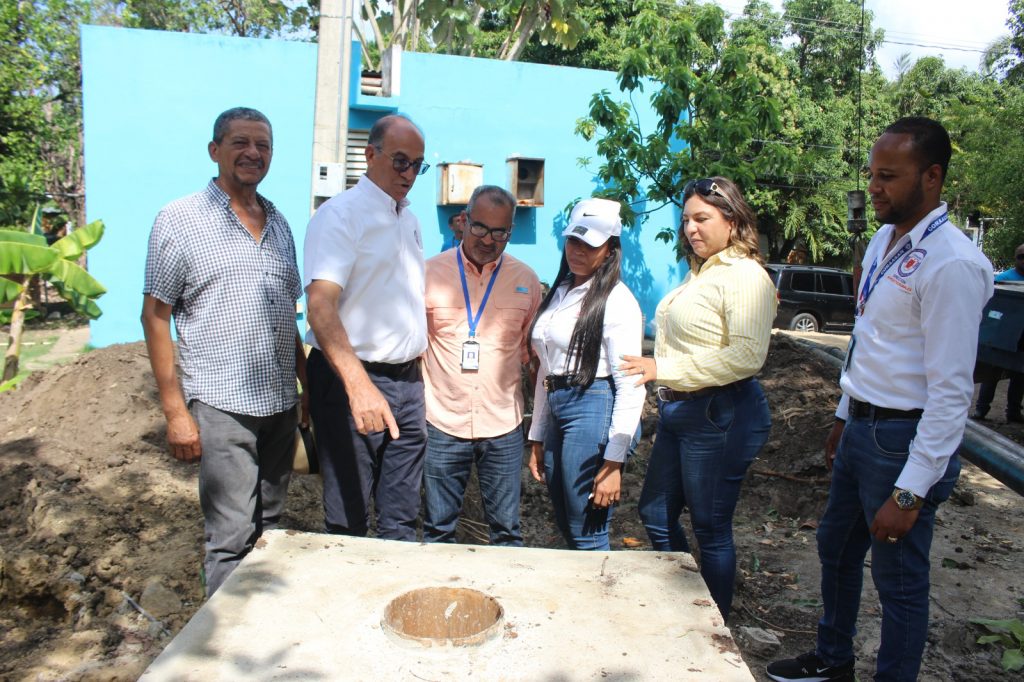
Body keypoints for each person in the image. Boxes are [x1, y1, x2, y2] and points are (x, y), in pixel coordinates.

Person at [766, 117, 993, 682]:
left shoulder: (953, 264)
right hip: (864, 427)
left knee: (899, 583)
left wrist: (911, 492)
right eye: (872, 174)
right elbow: (869, 340)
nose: (873, 187)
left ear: (933, 177)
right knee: (836, 551)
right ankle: (832, 659)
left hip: (904, 442)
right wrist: (845, 415)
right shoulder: (881, 241)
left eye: (889, 176)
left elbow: (950, 394)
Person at [141, 107, 307, 596]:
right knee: (231, 536)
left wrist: (307, 386)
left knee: (271, 529)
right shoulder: (180, 219)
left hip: (279, 401)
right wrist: (175, 412)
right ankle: (221, 651)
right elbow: (155, 316)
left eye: (263, 145)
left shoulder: (279, 224)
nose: (253, 153)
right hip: (221, 403)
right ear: (215, 150)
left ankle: (259, 634)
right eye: (240, 142)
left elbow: (286, 316)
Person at [619, 176, 776, 621]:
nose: (691, 228)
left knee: (710, 527)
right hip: (682, 411)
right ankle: (692, 606)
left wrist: (661, 369)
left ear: (733, 220)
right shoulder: (701, 273)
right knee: (654, 512)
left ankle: (714, 629)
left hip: (720, 414)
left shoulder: (745, 275)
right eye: (686, 219)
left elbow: (747, 356)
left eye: (702, 218)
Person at [303, 114, 429, 541]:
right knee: (348, 519)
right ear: (370, 155)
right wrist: (358, 387)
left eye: (417, 165)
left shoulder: (407, 218)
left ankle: (394, 605)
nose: (409, 174)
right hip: (350, 380)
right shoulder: (340, 216)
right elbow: (319, 305)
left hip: (407, 385)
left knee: (402, 517)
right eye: (400, 162)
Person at [422, 185, 541, 545]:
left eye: (499, 232)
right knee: (438, 530)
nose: (488, 239)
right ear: (463, 221)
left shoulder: (526, 281)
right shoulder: (428, 274)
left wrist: (540, 429)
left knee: (507, 531)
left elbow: (530, 354)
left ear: (510, 232)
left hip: (502, 425)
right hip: (442, 422)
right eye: (480, 227)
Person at [526, 198, 645, 550]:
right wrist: (536, 434)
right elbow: (546, 370)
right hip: (559, 405)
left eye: (590, 244)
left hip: (593, 405)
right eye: (573, 240)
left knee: (586, 529)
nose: (578, 250)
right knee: (566, 519)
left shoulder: (617, 299)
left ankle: (602, 601)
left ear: (610, 250)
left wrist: (613, 462)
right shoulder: (562, 292)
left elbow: (630, 382)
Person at [971, 242, 1024, 423]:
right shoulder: (1003, 279)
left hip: (1019, 340)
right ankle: (981, 410)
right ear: (1015, 259)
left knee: (1019, 378)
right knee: (991, 377)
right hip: (998, 337)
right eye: (1021, 257)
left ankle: (1013, 412)